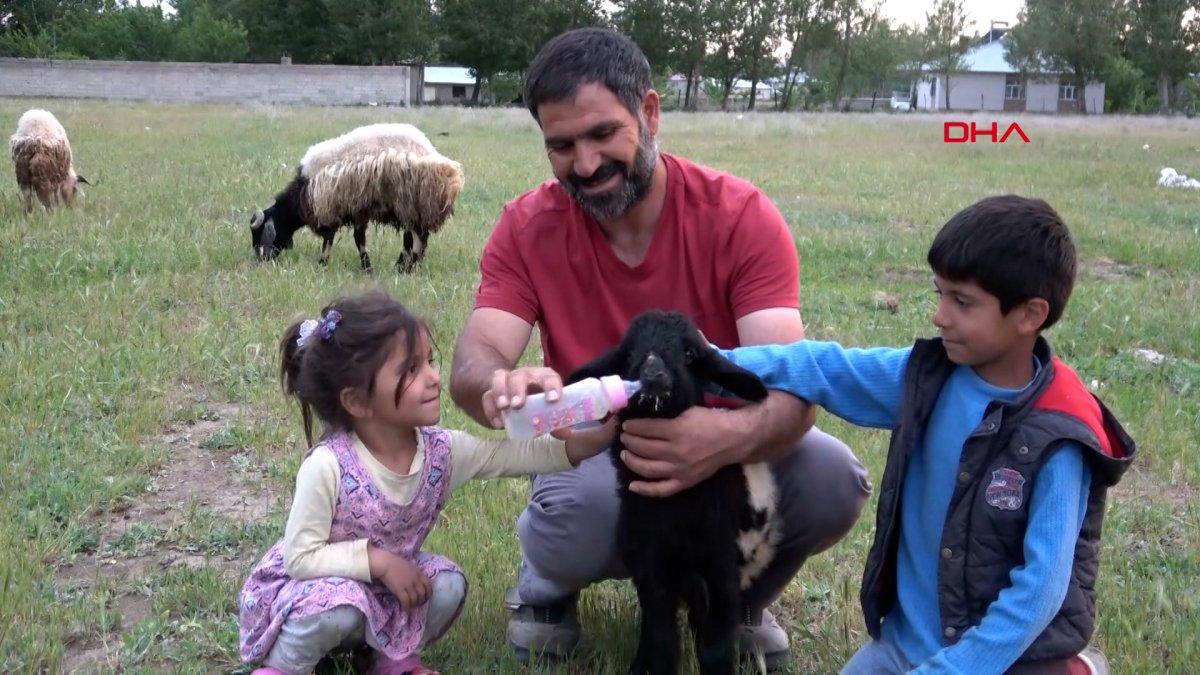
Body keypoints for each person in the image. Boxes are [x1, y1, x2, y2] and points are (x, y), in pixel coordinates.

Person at [449, 28, 871, 667]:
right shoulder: (526, 226)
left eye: (601, 134)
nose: (585, 164)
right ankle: (547, 590)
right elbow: (475, 356)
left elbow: (793, 388)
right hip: (603, 445)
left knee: (833, 478)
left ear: (649, 113)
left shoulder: (740, 215)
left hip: (729, 445)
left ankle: (732, 601)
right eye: (561, 145)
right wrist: (498, 383)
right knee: (577, 519)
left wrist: (718, 440)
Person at [721, 196, 1135, 674]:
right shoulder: (926, 379)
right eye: (939, 293)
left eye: (962, 302)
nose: (940, 315)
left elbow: (1039, 592)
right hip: (901, 651)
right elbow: (821, 367)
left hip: (1004, 662)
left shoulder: (1059, 435)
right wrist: (706, 360)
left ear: (1029, 315)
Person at [239, 292, 614, 675]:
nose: (434, 377)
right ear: (357, 401)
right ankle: (285, 666)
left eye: (430, 362)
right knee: (340, 608)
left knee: (446, 584)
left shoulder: (441, 452)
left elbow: (519, 456)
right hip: (315, 591)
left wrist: (591, 439)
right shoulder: (328, 465)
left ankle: (390, 660)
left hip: (383, 588)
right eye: (411, 370)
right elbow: (300, 558)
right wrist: (380, 562)